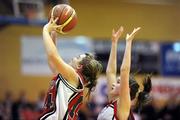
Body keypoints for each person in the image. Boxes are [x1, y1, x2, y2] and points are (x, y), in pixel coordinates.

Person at [39, 17, 103, 120]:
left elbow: (52, 55)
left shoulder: (73, 76)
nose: (74, 57)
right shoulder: (71, 79)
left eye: (77, 57)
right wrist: (54, 33)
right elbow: (52, 62)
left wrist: (46, 29)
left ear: (79, 66)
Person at [97, 27, 152, 120]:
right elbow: (110, 72)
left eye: (118, 82)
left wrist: (129, 42)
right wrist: (114, 43)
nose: (114, 83)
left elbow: (124, 70)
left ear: (127, 89)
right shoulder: (114, 100)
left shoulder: (123, 106)